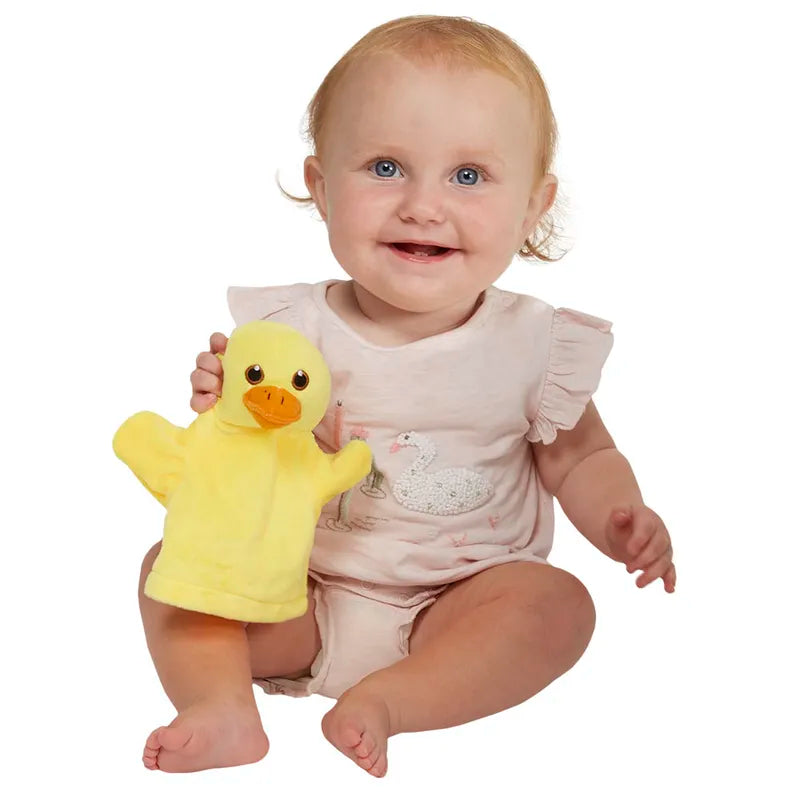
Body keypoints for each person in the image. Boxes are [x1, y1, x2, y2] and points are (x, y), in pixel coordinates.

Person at [138, 14, 676, 778]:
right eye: (386, 167)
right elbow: (239, 444)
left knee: (557, 608)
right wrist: (223, 403)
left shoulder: (532, 346)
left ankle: (394, 701)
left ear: (532, 206)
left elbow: (581, 455)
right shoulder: (290, 330)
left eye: (467, 176)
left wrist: (622, 516)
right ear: (322, 189)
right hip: (295, 597)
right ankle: (222, 708)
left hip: (458, 608)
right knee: (172, 567)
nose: (423, 205)